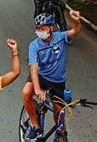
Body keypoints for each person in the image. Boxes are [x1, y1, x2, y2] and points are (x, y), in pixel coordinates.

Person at [22, 11, 82, 139]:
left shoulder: (61, 37)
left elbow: (76, 30)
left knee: (58, 113)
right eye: (37, 28)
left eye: (42, 28)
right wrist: (37, 89)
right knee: (27, 92)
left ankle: (61, 133)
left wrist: (76, 20)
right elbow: (33, 67)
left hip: (57, 81)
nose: (39, 31)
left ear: (51, 27)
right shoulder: (34, 45)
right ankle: (35, 126)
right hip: (41, 77)